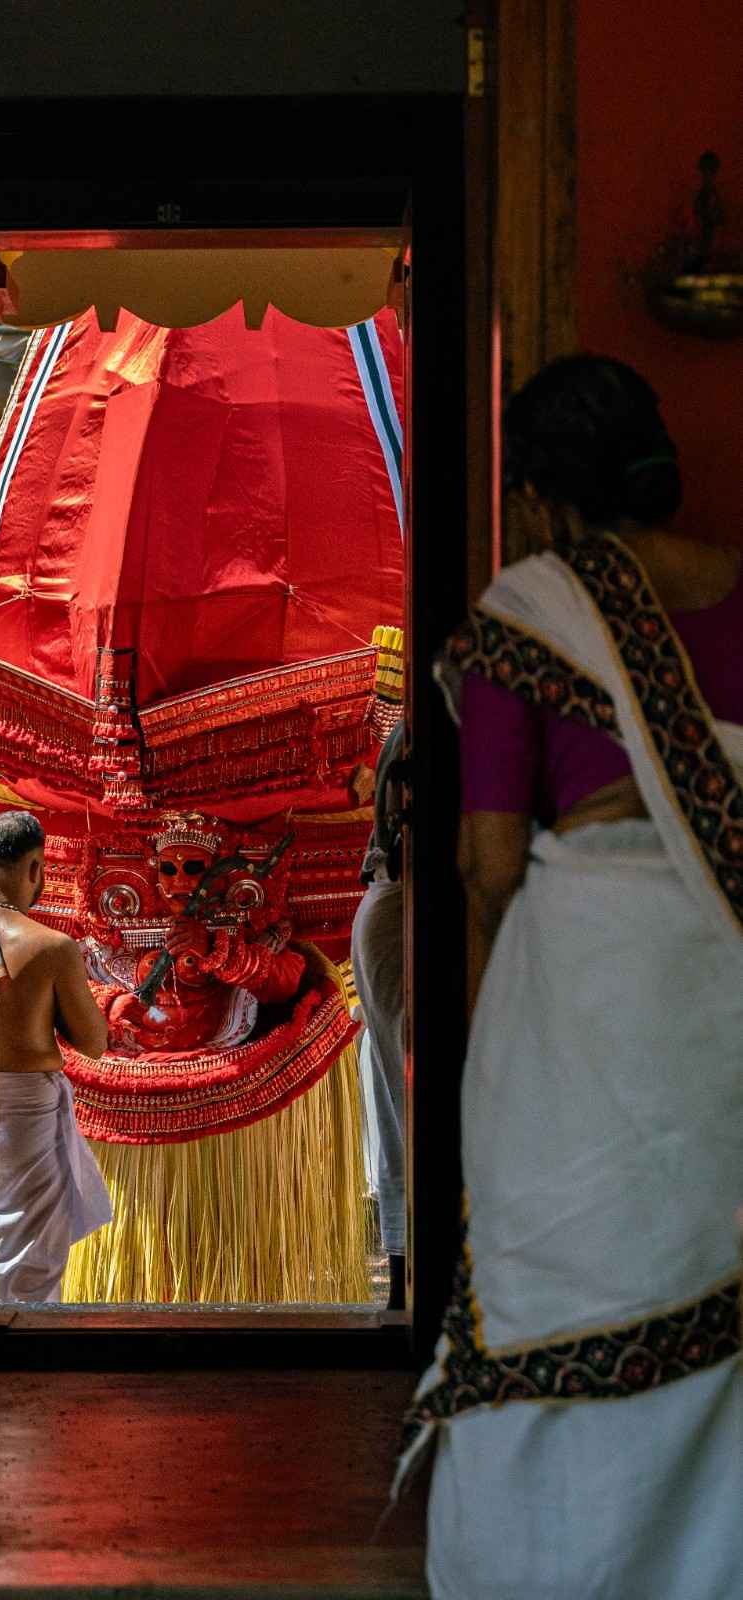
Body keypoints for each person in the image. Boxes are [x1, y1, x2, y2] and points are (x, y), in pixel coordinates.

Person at [400, 356, 743, 1599]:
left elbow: (487, 862)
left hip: (592, 997)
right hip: (726, 999)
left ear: (538, 498)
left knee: (564, 1282)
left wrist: (493, 1045)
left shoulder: (526, 608)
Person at [0, 810, 112, 1304]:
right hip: (24, 1122)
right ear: (37, 868)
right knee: (29, 1264)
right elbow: (93, 1043)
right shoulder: (53, 948)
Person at [350, 719, 407, 1308]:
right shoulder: (418, 730)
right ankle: (407, 1270)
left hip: (398, 905)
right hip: (403, 907)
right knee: (405, 1093)